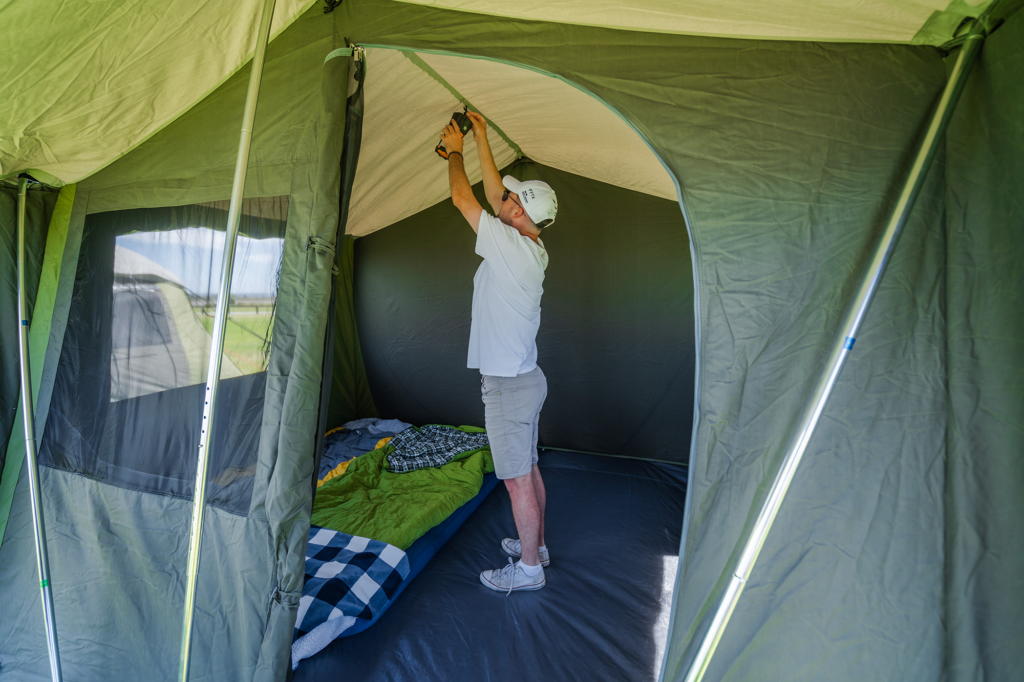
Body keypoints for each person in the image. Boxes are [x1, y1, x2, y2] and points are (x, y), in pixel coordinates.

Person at [439, 111, 558, 593]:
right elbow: (492, 196)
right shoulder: (528, 244)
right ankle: (539, 546)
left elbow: (463, 197)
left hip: (509, 387)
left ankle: (529, 570)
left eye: (512, 199)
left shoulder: (512, 248)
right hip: (525, 379)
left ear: (521, 213)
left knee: (514, 480)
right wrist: (482, 135)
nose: (504, 198)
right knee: (526, 469)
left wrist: (453, 151)